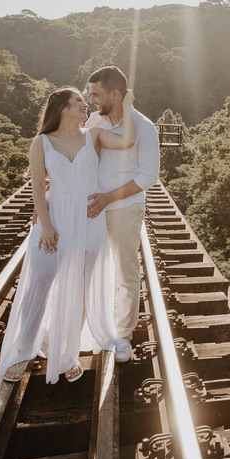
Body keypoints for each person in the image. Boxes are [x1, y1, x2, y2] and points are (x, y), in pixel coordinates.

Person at [0, 86, 136, 383]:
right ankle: (22, 351)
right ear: (62, 108)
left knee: (82, 288)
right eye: (79, 101)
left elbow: (127, 141)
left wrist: (127, 105)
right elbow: (36, 187)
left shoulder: (94, 136)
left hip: (89, 218)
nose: (85, 106)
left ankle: (67, 354)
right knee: (40, 281)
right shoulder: (41, 143)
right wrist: (46, 224)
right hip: (56, 217)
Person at [85, 66, 161, 362]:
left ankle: (123, 335)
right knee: (90, 269)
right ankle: (95, 327)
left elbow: (148, 177)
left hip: (124, 209)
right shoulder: (94, 120)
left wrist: (108, 198)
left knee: (125, 273)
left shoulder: (144, 128)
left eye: (96, 94)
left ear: (115, 95)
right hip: (93, 208)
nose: (91, 100)